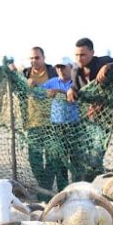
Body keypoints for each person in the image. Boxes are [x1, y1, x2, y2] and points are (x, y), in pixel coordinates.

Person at [67, 38, 113, 180]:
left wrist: (108, 67)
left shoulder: (102, 61)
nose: (79, 58)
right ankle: (91, 182)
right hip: (90, 120)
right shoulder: (75, 71)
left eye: (83, 55)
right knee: (87, 155)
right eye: (76, 55)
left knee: (98, 155)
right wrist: (71, 89)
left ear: (92, 52)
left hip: (112, 115)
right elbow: (76, 88)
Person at [22, 47, 57, 195]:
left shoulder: (53, 72)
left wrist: (55, 89)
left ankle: (45, 190)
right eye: (31, 58)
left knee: (51, 158)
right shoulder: (26, 73)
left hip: (52, 123)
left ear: (44, 58)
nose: (33, 61)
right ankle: (45, 188)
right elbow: (15, 75)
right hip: (33, 122)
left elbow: (64, 84)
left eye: (37, 58)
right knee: (34, 158)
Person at [40, 63, 79, 191]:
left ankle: (76, 188)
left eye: (63, 67)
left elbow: (80, 94)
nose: (60, 70)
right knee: (59, 158)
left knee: (75, 159)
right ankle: (63, 189)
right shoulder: (51, 82)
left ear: (71, 68)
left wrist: (59, 91)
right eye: (58, 68)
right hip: (56, 126)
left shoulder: (76, 81)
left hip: (74, 126)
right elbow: (39, 92)